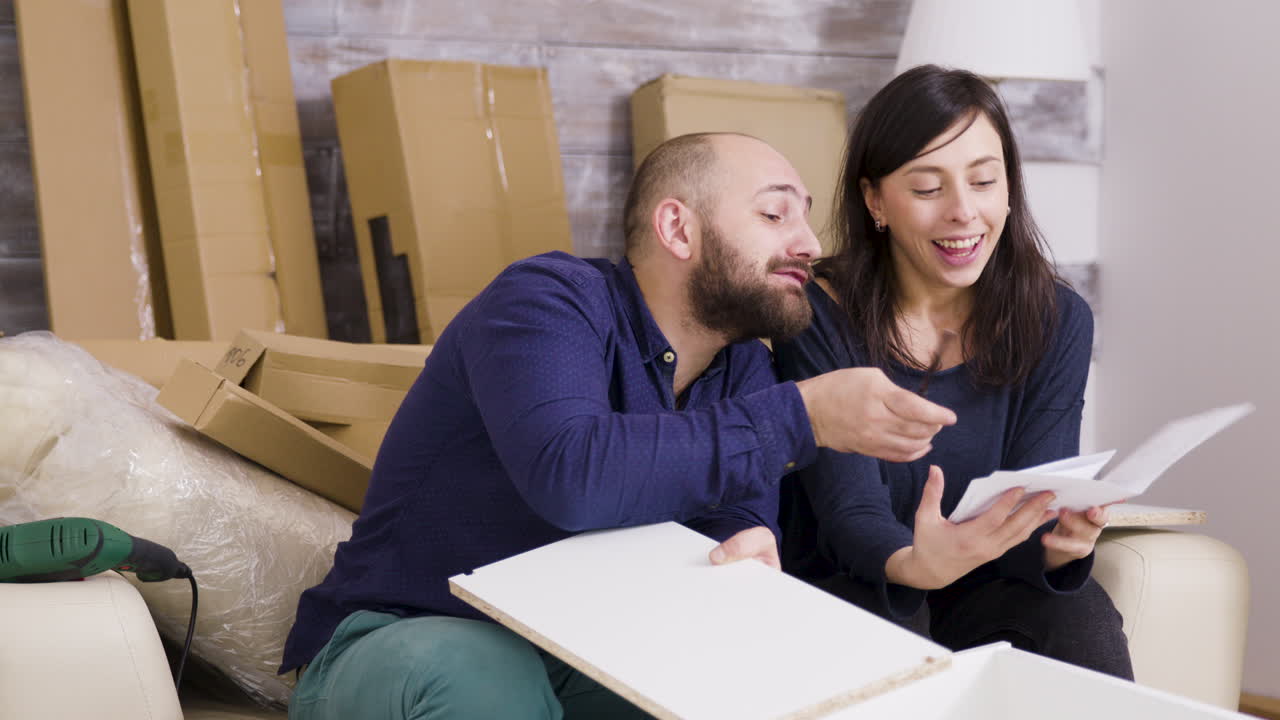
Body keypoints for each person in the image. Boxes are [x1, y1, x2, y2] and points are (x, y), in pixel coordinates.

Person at [280, 131, 957, 720]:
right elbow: (572, 476)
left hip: (582, 653)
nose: (809, 244)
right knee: (484, 675)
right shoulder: (545, 302)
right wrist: (803, 415)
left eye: (805, 218)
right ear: (677, 229)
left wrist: (746, 548)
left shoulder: (744, 366)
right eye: (775, 213)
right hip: (410, 639)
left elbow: (733, 533)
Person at [773, 65, 1133, 679]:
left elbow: (1033, 502)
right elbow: (849, 518)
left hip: (976, 589)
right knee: (897, 625)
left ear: (1009, 187)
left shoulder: (1057, 318)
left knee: (1080, 615)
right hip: (855, 585)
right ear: (874, 200)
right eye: (927, 188)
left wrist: (1059, 548)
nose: (964, 213)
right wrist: (916, 563)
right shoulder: (814, 311)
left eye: (984, 181)